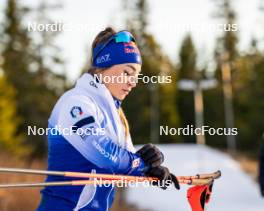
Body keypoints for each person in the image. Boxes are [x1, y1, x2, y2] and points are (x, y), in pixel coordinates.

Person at [37, 27, 179, 211]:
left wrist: (150, 169)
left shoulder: (116, 115)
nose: (133, 82)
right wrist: (140, 163)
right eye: (127, 72)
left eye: (136, 76)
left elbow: (125, 165)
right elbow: (104, 154)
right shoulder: (76, 103)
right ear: (103, 67)